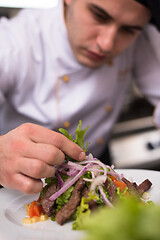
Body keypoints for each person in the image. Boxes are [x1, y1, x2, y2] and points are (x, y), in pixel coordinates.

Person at [0, 0, 160, 194]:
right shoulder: (12, 43)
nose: (106, 44)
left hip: (96, 167)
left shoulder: (141, 40)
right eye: (99, 16)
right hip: (15, 180)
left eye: (128, 30)